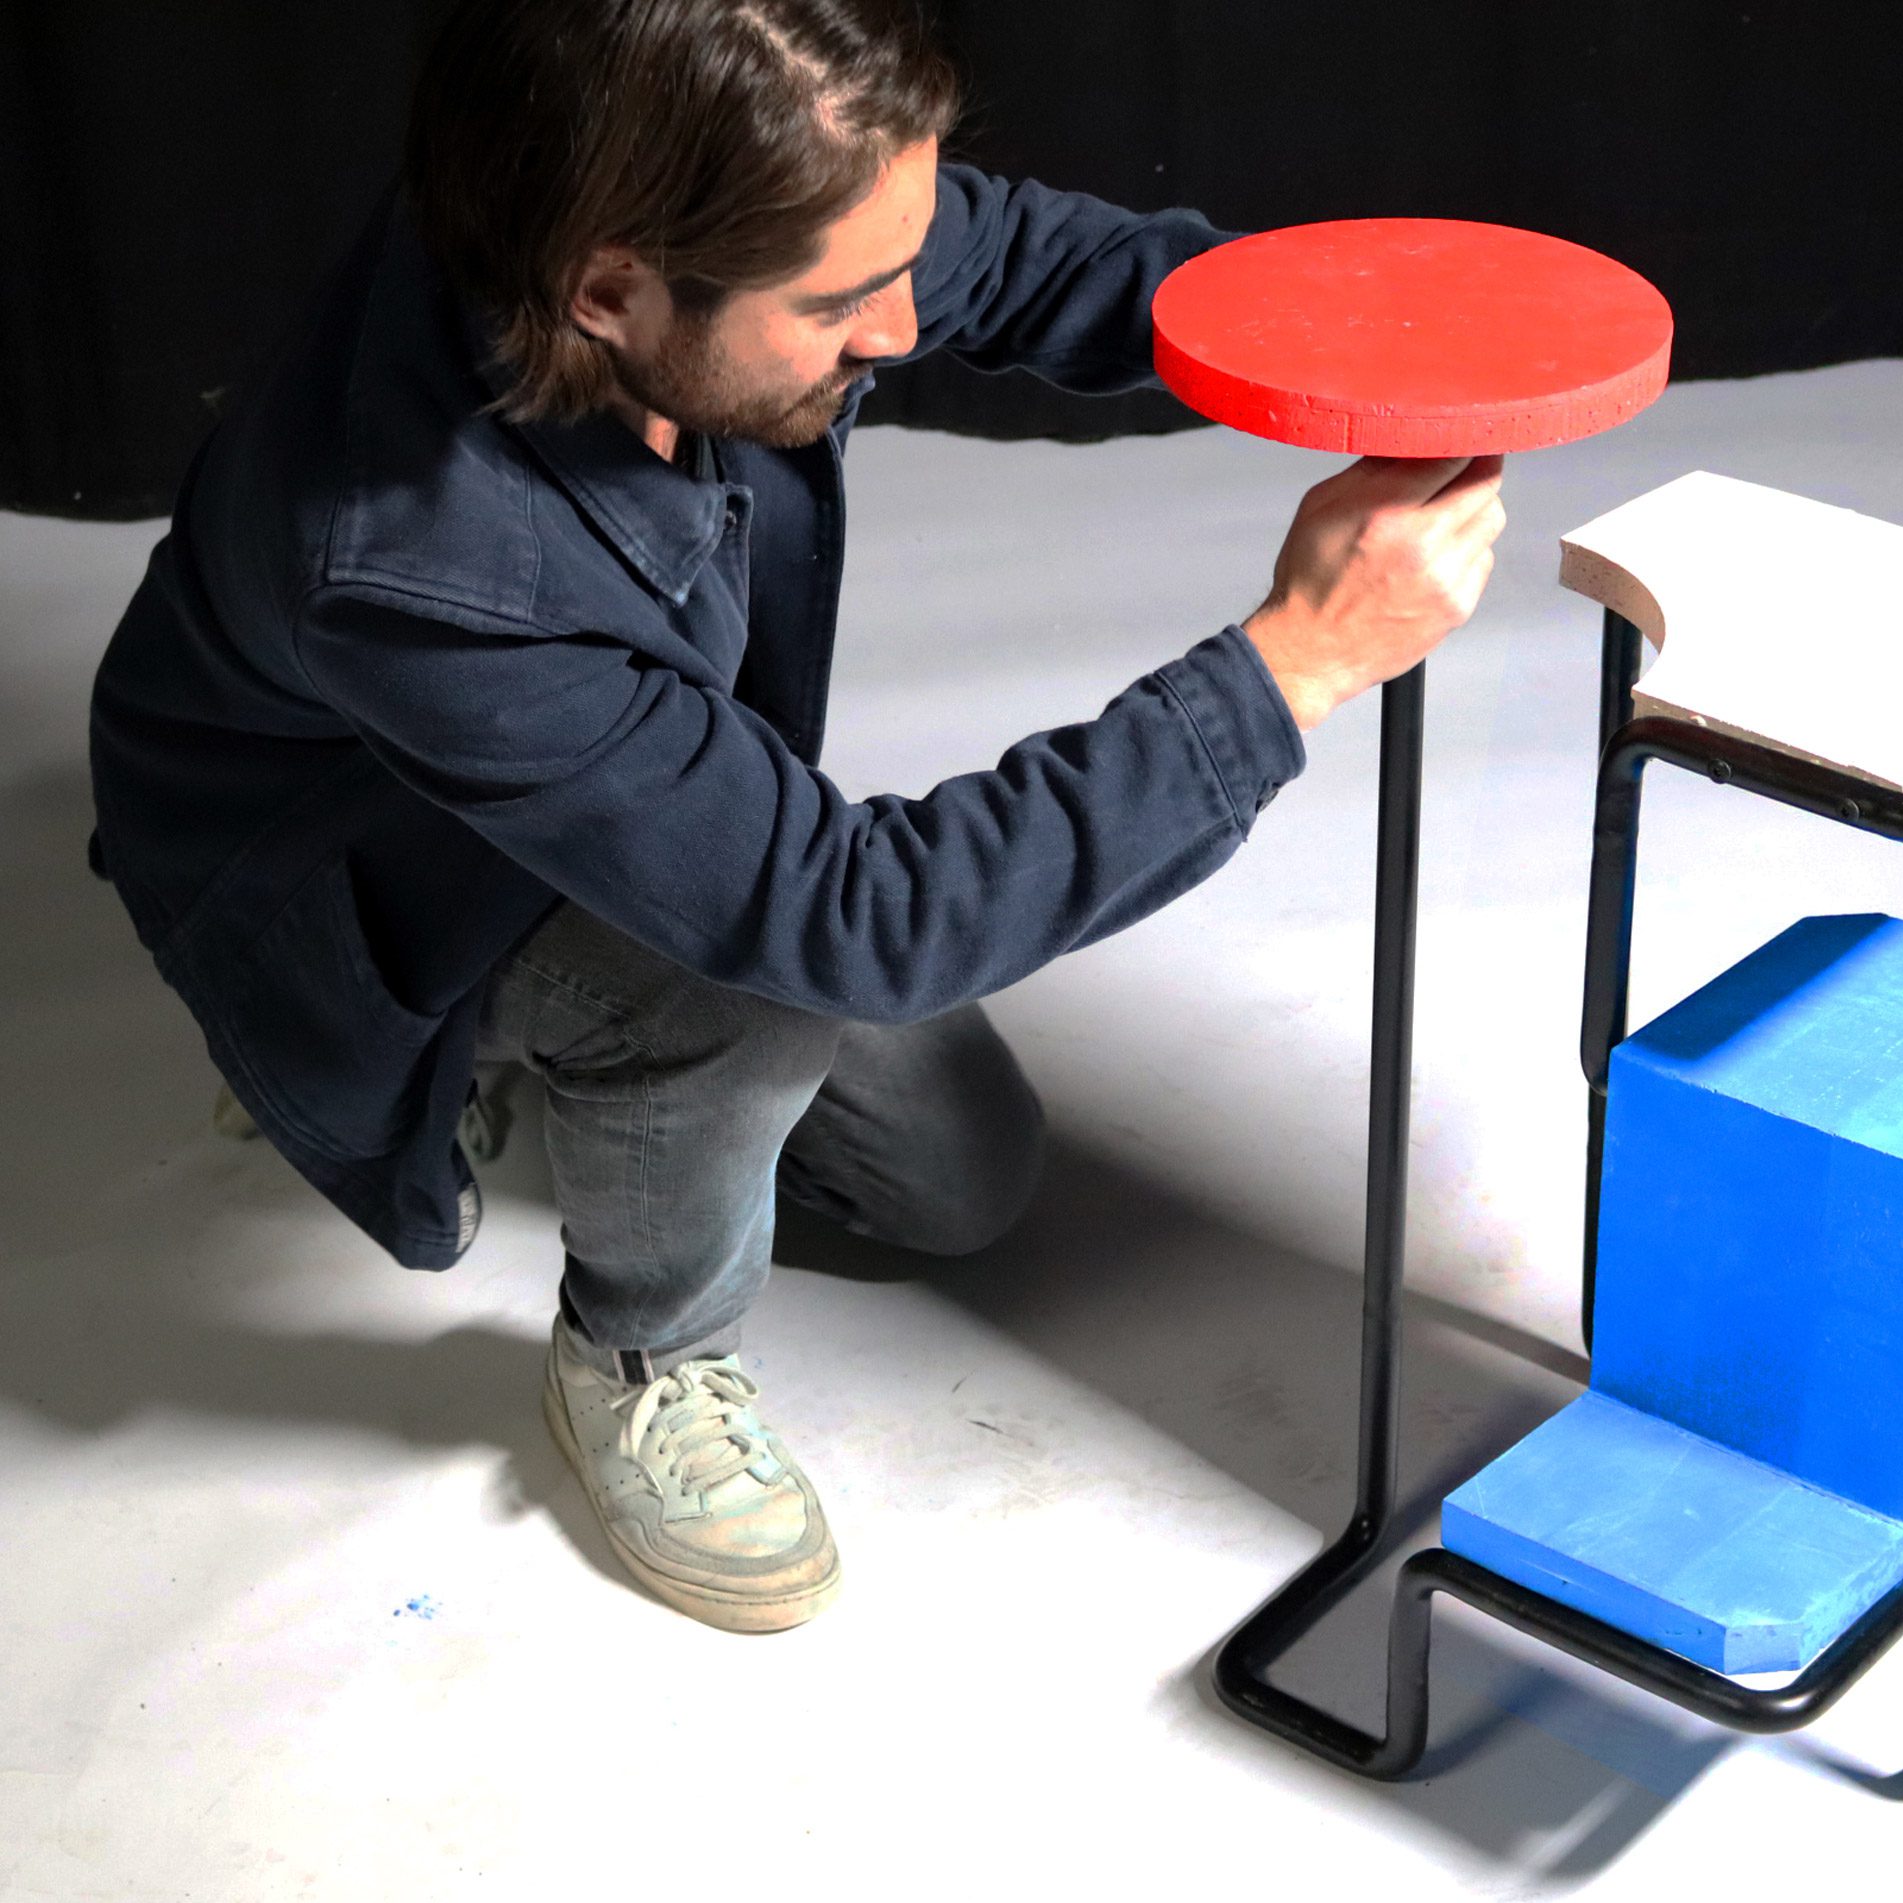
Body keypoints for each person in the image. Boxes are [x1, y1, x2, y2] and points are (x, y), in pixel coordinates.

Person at [84, 0, 1507, 1635]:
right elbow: (853, 919)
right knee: (757, 984)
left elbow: (1018, 258)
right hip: (334, 859)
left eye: (896, 258)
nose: (898, 330)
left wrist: (1324, 339)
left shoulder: (618, 189)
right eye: (838, 301)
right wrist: (1295, 667)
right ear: (608, 287)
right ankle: (630, 1346)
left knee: (965, 1180)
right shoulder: (424, 567)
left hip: (529, 741)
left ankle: (574, 1056)